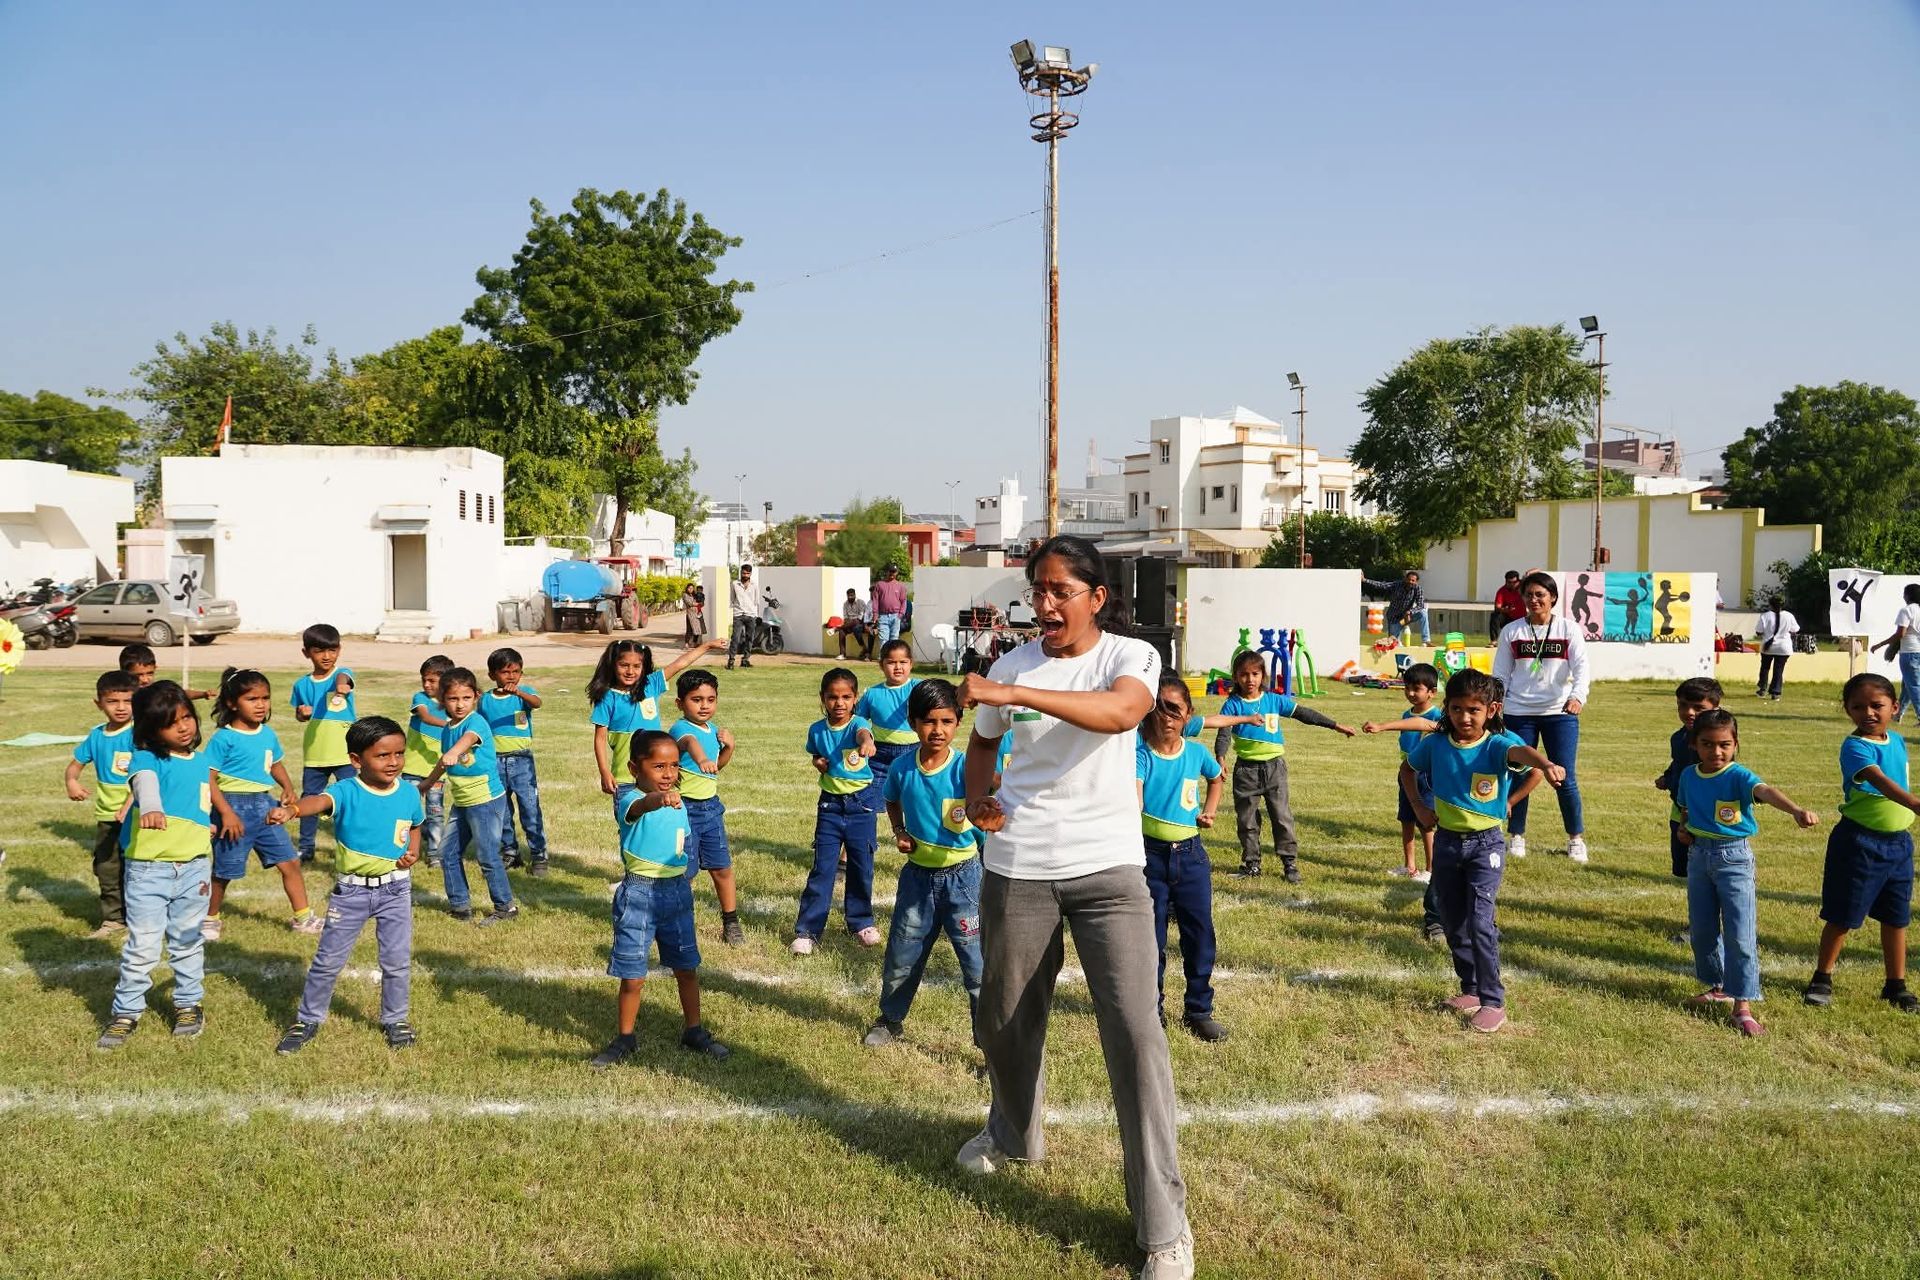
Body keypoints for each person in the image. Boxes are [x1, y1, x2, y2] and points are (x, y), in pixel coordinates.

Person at [957, 534, 1194, 1280]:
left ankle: (1163, 1229)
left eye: (1061, 589)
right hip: (1018, 866)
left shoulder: (1130, 657)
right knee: (1001, 1016)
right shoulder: (1009, 664)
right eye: (1038, 590)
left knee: (1135, 1033)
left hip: (1109, 872)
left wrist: (1016, 693)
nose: (1047, 603)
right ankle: (1014, 1135)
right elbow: (982, 746)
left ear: (1097, 596)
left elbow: (1122, 715)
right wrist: (976, 796)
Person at [1401, 668, 1564, 1034]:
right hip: (1445, 843)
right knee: (1453, 919)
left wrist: (1542, 767)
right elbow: (1407, 770)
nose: (1464, 717)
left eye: (1473, 710)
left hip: (1485, 846)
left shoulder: (1497, 745)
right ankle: (1471, 989)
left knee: (1479, 922)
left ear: (1491, 709)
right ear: (1447, 708)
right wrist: (1419, 808)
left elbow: (1525, 755)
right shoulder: (1436, 744)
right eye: (1457, 709)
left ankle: (1493, 1001)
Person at [270, 715, 426, 1054]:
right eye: (382, 756)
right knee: (328, 961)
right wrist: (294, 810)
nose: (393, 762)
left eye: (399, 754)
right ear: (356, 760)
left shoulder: (409, 792)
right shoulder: (346, 790)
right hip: (351, 893)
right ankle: (308, 1019)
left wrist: (413, 850)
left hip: (396, 891)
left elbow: (415, 824)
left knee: (396, 961)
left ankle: (395, 1019)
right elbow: (320, 802)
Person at [95, 681, 237, 1050]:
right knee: (142, 945)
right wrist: (152, 807)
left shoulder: (203, 761)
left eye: (187, 717)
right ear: (151, 729)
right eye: (172, 723)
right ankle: (126, 1012)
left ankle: (188, 1004)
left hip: (194, 868)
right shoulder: (146, 759)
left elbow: (196, 798)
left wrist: (205, 820)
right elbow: (146, 785)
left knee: (188, 940)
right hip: (149, 871)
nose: (185, 727)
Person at [589, 730, 731, 1067]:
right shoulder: (628, 799)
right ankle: (625, 1038)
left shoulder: (680, 801)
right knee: (633, 974)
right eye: (658, 766)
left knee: (686, 968)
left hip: (677, 894)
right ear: (634, 768)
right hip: (639, 894)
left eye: (673, 766)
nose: (668, 774)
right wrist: (657, 800)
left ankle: (693, 1030)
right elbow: (641, 807)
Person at [1674, 709, 1819, 1037]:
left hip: (1733, 858)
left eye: (1724, 744)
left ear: (1736, 744)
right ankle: (1719, 986)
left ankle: (1742, 1006)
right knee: (1702, 930)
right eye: (1708, 744)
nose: (1717, 752)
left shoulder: (1739, 776)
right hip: (1699, 857)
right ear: (1695, 745)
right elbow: (1684, 808)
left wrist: (1795, 810)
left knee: (1740, 933)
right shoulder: (1688, 776)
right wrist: (1684, 829)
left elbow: (1765, 792)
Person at [866, 678, 984, 1048]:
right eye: (929, 721)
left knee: (977, 965)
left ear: (958, 722)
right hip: (917, 879)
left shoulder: (967, 768)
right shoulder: (902, 768)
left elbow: (986, 813)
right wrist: (900, 830)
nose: (938, 730)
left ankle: (989, 1042)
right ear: (913, 723)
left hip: (965, 880)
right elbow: (892, 800)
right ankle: (890, 1019)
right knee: (903, 952)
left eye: (947, 721)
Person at [1804, 674, 1920, 1015]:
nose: (1868, 712)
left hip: (1899, 845)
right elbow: (1879, 780)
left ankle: (1895, 984)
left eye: (1877, 705)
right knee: (1843, 915)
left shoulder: (1897, 741)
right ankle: (1822, 977)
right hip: (1859, 843)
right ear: (1847, 711)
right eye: (1858, 706)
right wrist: (1913, 803)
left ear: (1895, 707)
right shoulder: (1855, 746)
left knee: (1897, 918)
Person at [1214, 647, 1357, 883]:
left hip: (1274, 769)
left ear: (1262, 676)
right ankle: (1251, 864)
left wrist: (1335, 725)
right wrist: (1220, 756)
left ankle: (1289, 863)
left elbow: (1304, 714)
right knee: (1246, 820)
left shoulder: (1273, 701)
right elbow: (1223, 733)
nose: (1250, 680)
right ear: (1236, 677)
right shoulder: (1232, 705)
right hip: (1245, 771)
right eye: (1243, 675)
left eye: (1255, 674)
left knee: (1281, 817)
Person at [1137, 675, 1228, 1042]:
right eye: (1159, 707)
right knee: (1151, 937)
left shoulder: (1196, 753)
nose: (1167, 716)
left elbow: (1217, 778)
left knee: (1199, 932)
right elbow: (1136, 794)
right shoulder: (1140, 754)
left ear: (1188, 714)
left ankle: (1198, 1009)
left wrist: (1210, 811)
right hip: (1149, 857)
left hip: (1190, 857)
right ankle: (1151, 1010)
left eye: (1175, 708)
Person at [204, 667, 315, 939]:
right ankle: (209, 918)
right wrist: (226, 814)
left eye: (265, 698)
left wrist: (287, 787)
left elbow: (274, 762)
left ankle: (303, 917)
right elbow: (208, 779)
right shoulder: (224, 738)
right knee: (224, 871)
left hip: (266, 807)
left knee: (289, 862)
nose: (261, 705)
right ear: (232, 703)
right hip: (232, 809)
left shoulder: (268, 734)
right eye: (252, 699)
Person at [1492, 571, 1592, 863]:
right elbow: (1500, 673)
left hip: (1559, 713)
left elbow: (1582, 667)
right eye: (1528, 595)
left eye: (1540, 595)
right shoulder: (1512, 630)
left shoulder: (1568, 629)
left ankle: (1576, 839)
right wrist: (1496, 703)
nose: (1533, 600)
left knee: (1564, 777)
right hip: (1518, 713)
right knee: (1518, 774)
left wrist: (1577, 697)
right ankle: (1517, 835)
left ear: (1553, 598)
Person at [417, 666, 515, 926]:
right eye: (453, 699)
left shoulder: (475, 722)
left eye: (466, 698)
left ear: (476, 696)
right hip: (462, 802)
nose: (460, 705)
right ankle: (460, 906)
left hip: (485, 800)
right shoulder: (448, 728)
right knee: (447, 853)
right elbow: (444, 760)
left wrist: (454, 752)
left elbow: (469, 740)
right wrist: (427, 783)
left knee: (487, 855)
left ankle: (506, 907)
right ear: (442, 700)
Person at [792, 667, 881, 955]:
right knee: (823, 868)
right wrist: (818, 762)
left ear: (855, 698)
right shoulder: (817, 730)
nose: (839, 703)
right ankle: (808, 930)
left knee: (861, 866)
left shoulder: (859, 724)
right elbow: (816, 753)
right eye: (833, 697)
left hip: (861, 805)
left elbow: (863, 734)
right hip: (830, 806)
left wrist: (867, 743)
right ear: (823, 698)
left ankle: (861, 921)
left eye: (846, 697)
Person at [669, 668, 746, 945]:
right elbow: (688, 744)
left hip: (711, 809)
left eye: (710, 699)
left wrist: (728, 749)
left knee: (722, 868)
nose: (704, 705)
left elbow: (715, 769)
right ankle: (680, 923)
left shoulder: (713, 730)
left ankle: (731, 921)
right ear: (680, 703)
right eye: (696, 699)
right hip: (684, 810)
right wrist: (701, 757)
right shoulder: (680, 728)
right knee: (685, 872)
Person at [589, 638, 717, 797]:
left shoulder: (651, 685)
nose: (630, 671)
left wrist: (707, 646)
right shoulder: (607, 698)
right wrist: (605, 772)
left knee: (659, 819)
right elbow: (600, 739)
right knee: (633, 819)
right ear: (613, 665)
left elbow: (680, 664)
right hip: (626, 779)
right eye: (624, 665)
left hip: (656, 778)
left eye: (637, 666)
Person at [65, 670, 139, 940]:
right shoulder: (96, 736)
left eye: (128, 701)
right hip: (107, 817)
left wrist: (130, 804)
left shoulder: (138, 735)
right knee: (106, 867)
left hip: (138, 816)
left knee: (139, 868)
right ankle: (114, 919)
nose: (121, 707)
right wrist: (72, 782)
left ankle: (144, 915)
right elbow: (74, 767)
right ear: (99, 703)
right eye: (112, 701)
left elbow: (148, 775)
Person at [1362, 662, 1444, 882]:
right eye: (1407, 687)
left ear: (1432, 692)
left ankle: (1431, 869)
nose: (1410, 693)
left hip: (1426, 777)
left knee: (1426, 823)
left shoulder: (1437, 717)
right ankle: (1410, 865)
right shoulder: (1405, 713)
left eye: (1416, 688)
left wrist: (1381, 726)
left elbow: (1419, 725)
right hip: (1406, 774)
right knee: (1406, 819)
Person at [290, 623, 356, 865]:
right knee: (310, 798)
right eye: (319, 651)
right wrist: (302, 713)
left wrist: (341, 687)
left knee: (349, 800)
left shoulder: (342, 674)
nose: (327, 656)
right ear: (306, 652)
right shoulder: (301, 684)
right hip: (316, 753)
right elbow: (299, 714)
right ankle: (306, 846)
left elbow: (344, 678)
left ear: (339, 650)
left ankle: (350, 845)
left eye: (332, 650)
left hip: (345, 754)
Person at [483, 647, 548, 876]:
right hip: (495, 762)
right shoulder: (485, 700)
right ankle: (510, 851)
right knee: (501, 810)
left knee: (530, 808)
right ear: (493, 675)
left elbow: (537, 702)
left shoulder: (524, 695)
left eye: (516, 671)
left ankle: (539, 855)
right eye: (505, 672)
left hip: (522, 763)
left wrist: (519, 694)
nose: (511, 676)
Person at [1656, 678, 1725, 881]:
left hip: (1705, 814)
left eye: (1698, 707)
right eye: (1683, 706)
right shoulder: (1678, 738)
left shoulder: (1716, 743)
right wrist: (1668, 777)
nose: (1689, 712)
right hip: (1679, 810)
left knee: (1708, 866)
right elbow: (1679, 763)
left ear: (1715, 708)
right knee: (1683, 867)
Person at [402, 655, 452, 869]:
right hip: (411, 769)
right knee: (408, 811)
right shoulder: (420, 698)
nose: (426, 684)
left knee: (435, 812)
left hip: (437, 771)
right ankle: (405, 850)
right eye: (424, 679)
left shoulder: (452, 703)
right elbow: (424, 716)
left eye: (432, 680)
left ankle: (434, 853)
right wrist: (450, 724)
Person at [855, 639, 920, 790]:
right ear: (881, 665)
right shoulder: (872, 694)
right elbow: (858, 722)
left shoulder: (919, 688)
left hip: (914, 751)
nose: (898, 667)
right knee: (872, 795)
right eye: (891, 662)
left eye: (903, 662)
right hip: (879, 754)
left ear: (911, 664)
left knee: (913, 792)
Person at [1872, 583, 1920, 724]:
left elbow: (1901, 633)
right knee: (1907, 686)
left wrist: (1880, 644)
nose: (1903, 596)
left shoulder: (1906, 611)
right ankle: (1897, 714)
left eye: (1904, 593)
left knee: (1914, 686)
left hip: (1910, 653)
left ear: (1908, 595)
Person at [117, 643, 212, 700]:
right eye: (139, 675)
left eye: (150, 673)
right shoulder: (119, 695)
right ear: (124, 673)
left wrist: (203, 694)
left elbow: (180, 694)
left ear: (155, 668)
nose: (145, 680)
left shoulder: (156, 691)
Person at [1364, 569, 1430, 645]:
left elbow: (1420, 605)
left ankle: (1426, 640)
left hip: (1406, 618)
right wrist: (1365, 580)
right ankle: (1397, 642)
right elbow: (1382, 585)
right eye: (1409, 579)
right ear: (1405, 579)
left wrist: (1410, 612)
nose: (1410, 582)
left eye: (1413, 580)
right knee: (1394, 644)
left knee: (1423, 613)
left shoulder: (1418, 589)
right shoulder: (1397, 585)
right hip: (1394, 619)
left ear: (1416, 582)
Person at [1753, 595, 1800, 701]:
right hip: (1784, 647)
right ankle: (1776, 692)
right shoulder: (1789, 615)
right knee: (1778, 670)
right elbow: (1795, 629)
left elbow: (1759, 631)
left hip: (1768, 647)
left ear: (1770, 604)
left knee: (1765, 668)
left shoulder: (1765, 616)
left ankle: (1762, 689)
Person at [726, 565, 762, 670]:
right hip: (738, 614)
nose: (745, 575)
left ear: (750, 574)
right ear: (740, 572)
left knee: (750, 638)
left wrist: (756, 615)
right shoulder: (734, 584)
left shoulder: (755, 585)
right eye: (743, 573)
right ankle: (731, 661)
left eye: (747, 573)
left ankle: (745, 660)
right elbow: (732, 599)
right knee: (735, 638)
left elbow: (756, 601)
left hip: (751, 615)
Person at [870, 562, 910, 649]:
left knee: (894, 639)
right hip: (883, 616)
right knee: (883, 639)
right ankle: (883, 659)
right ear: (886, 571)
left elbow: (903, 601)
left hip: (896, 616)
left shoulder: (900, 586)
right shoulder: (879, 585)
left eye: (894, 571)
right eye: (890, 571)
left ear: (897, 572)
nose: (892, 573)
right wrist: (875, 615)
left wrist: (900, 615)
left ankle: (892, 658)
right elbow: (875, 601)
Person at [836, 588, 871, 660]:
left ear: (855, 595)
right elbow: (845, 618)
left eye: (852, 595)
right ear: (847, 596)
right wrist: (847, 623)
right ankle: (842, 654)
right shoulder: (845, 604)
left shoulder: (860, 602)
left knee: (855, 625)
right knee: (841, 631)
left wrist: (850, 623)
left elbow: (860, 618)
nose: (850, 597)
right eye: (849, 596)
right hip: (849, 623)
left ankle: (864, 648)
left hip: (859, 623)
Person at [1491, 570, 1525, 643]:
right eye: (1509, 582)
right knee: (1495, 615)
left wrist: (1527, 573)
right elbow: (1497, 607)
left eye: (1514, 582)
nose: (1512, 584)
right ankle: (1494, 640)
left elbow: (1536, 571)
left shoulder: (1524, 588)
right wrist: (1504, 610)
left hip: (1523, 619)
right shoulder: (1502, 591)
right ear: (1506, 581)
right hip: (1509, 619)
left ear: (1518, 581)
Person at [682, 581, 707, 647]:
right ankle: (686, 643)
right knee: (689, 629)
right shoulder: (685, 595)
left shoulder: (695, 595)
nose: (690, 589)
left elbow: (701, 602)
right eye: (689, 588)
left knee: (698, 629)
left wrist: (701, 603)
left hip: (697, 614)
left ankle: (694, 643)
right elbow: (689, 603)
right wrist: (698, 604)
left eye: (692, 588)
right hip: (690, 614)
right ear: (687, 588)